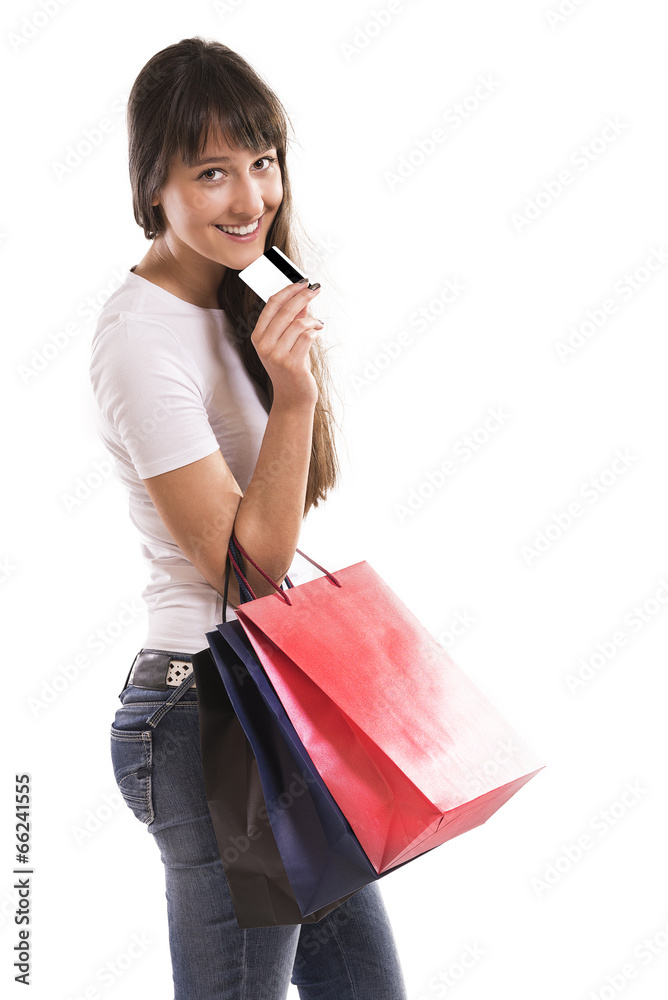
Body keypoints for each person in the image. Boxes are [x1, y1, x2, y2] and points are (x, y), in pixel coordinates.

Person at [88, 36, 407, 1000]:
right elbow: (248, 565)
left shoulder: (236, 296)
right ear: (155, 188)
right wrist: (294, 393)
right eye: (212, 172)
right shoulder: (139, 339)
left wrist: (292, 385)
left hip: (270, 702)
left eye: (261, 162)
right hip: (203, 715)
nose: (249, 198)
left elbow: (290, 501)